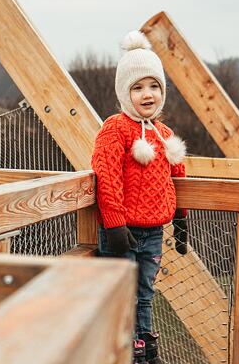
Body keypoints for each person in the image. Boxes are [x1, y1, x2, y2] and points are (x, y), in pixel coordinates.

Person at [91, 30, 188, 364]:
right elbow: (106, 176)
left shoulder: (163, 134)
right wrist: (115, 224)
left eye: (154, 86)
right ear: (124, 92)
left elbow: (176, 177)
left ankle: (144, 354)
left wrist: (181, 218)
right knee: (122, 295)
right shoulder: (115, 128)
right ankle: (119, 355)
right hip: (122, 232)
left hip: (153, 232)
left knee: (145, 295)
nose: (147, 94)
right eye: (138, 87)